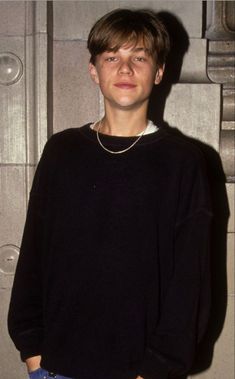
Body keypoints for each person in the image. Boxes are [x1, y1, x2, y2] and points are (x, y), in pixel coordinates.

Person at [8, 8, 212, 379]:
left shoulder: (184, 162)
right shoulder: (62, 152)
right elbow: (34, 253)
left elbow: (191, 280)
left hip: (141, 371)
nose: (125, 69)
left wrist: (155, 369)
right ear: (94, 71)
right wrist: (32, 351)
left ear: (160, 71)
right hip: (55, 367)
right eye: (112, 57)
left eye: (139, 57)